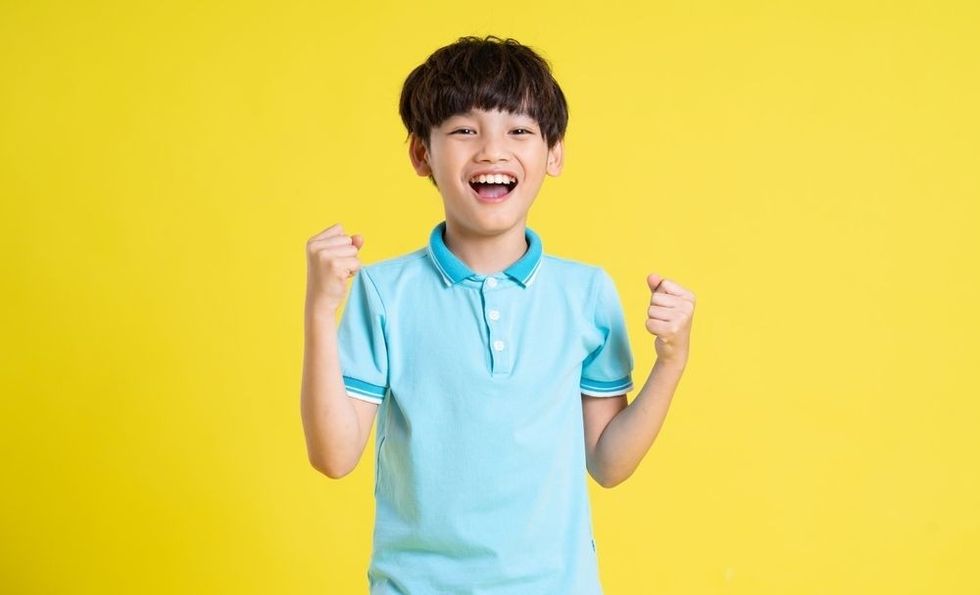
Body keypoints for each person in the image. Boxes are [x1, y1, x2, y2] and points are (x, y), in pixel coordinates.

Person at [301, 35, 696, 594]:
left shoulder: (585, 293)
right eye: (464, 130)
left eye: (519, 130)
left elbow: (609, 463)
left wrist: (672, 361)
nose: (491, 151)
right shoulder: (384, 292)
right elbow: (334, 456)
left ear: (553, 153)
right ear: (421, 153)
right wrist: (320, 311)